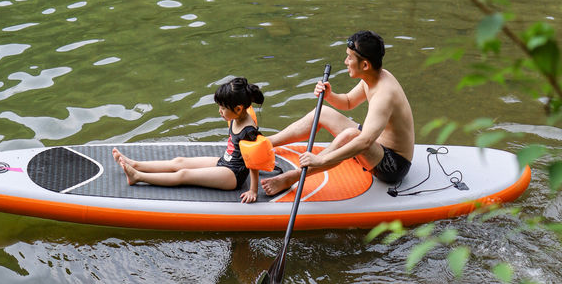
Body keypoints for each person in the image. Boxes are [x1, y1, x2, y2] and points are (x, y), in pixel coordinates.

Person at [261, 31, 415, 196]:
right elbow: (348, 101)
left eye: (349, 58)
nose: (345, 62)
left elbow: (364, 142)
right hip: (376, 144)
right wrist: (329, 95)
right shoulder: (372, 78)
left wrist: (321, 160)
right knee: (323, 112)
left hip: (393, 165)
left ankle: (293, 177)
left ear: (365, 65)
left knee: (351, 136)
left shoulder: (384, 95)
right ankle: (265, 144)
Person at [113, 78, 265, 203]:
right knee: (179, 162)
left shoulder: (248, 132)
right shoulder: (237, 115)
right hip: (225, 162)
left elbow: (253, 163)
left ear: (238, 109)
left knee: (184, 174)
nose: (219, 111)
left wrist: (253, 190)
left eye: (222, 108)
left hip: (233, 175)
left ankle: (138, 176)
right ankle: (135, 164)